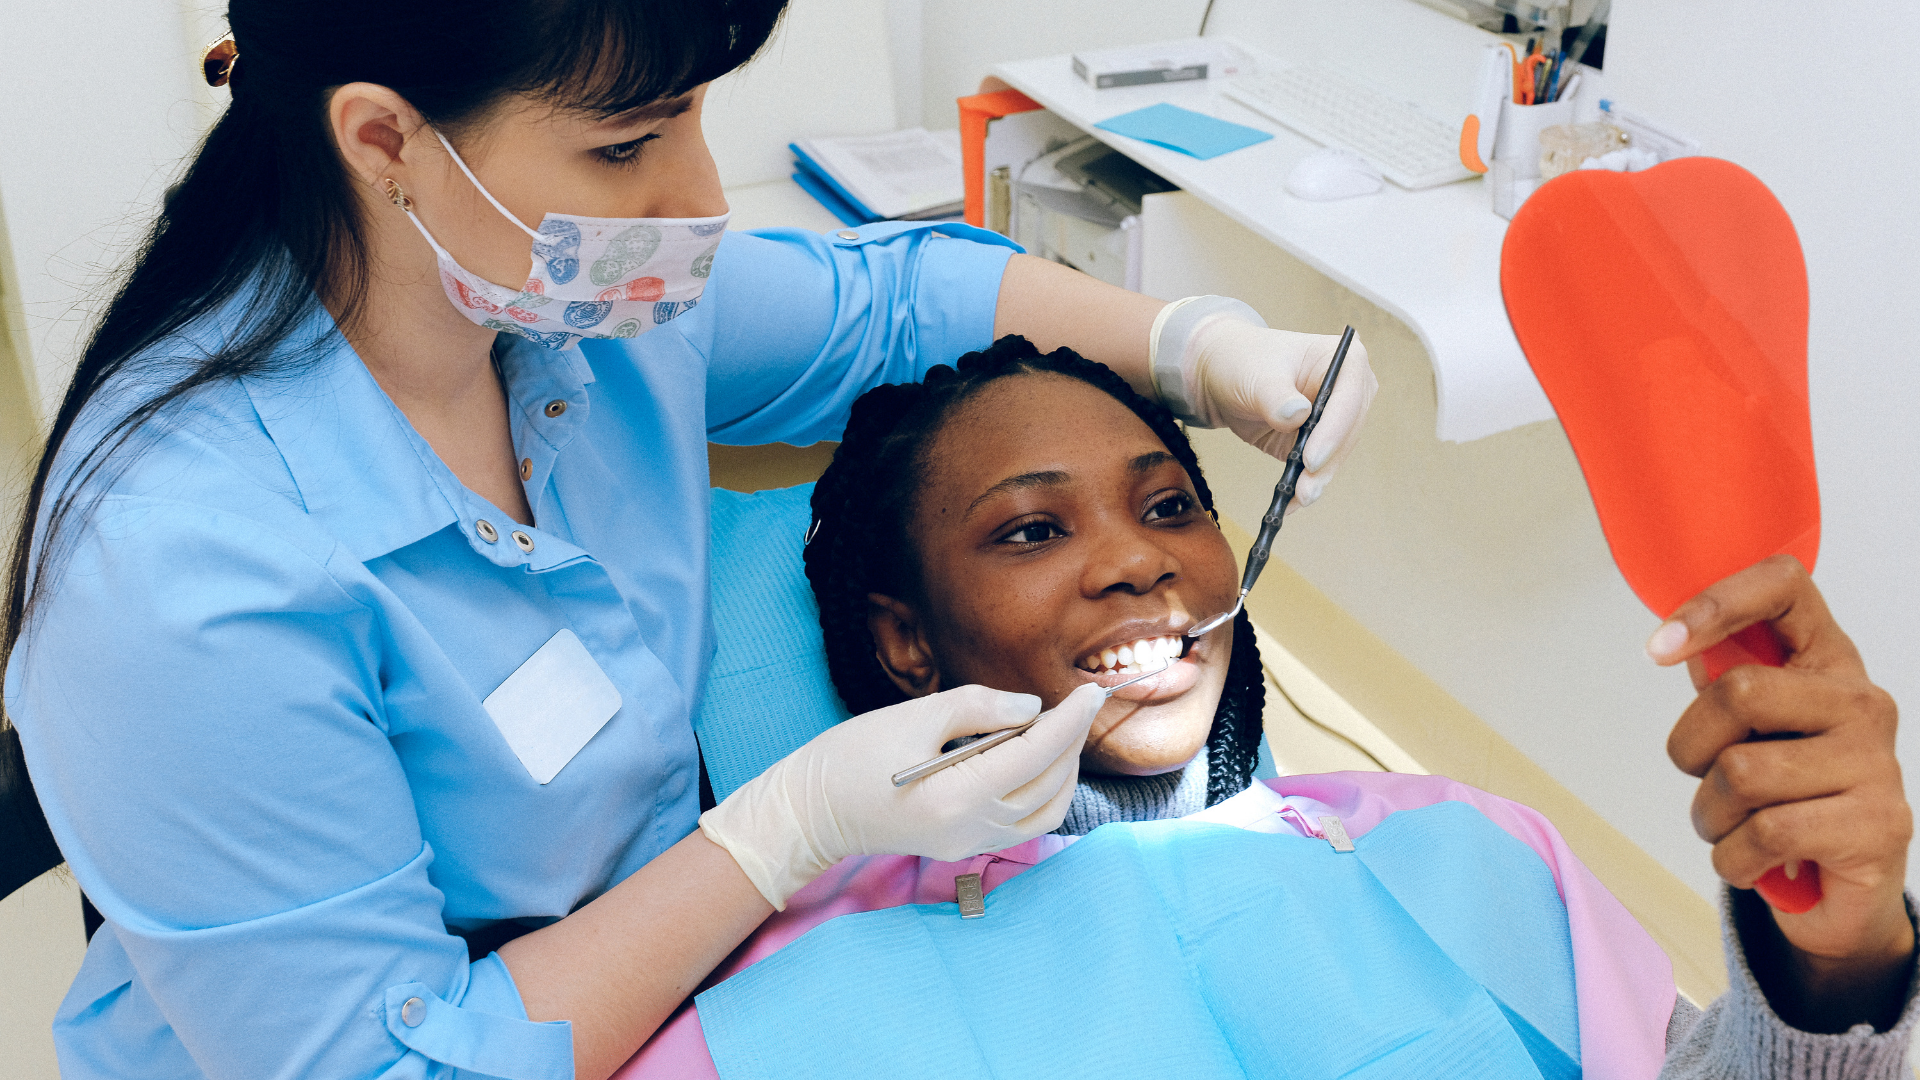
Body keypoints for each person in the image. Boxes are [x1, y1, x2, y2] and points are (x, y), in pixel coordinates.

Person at [0, 5, 1377, 1080]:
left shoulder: (585, 311)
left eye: (694, 121)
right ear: (384, 140)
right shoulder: (177, 572)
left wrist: (1201, 349)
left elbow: (893, 308)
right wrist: (782, 836)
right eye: (623, 147)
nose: (697, 196)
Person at [730, 337, 1908, 1076]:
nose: (1139, 563)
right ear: (904, 641)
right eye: (1033, 530)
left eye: (1171, 507)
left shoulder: (1470, 848)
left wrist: (1838, 961)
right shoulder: (796, 993)